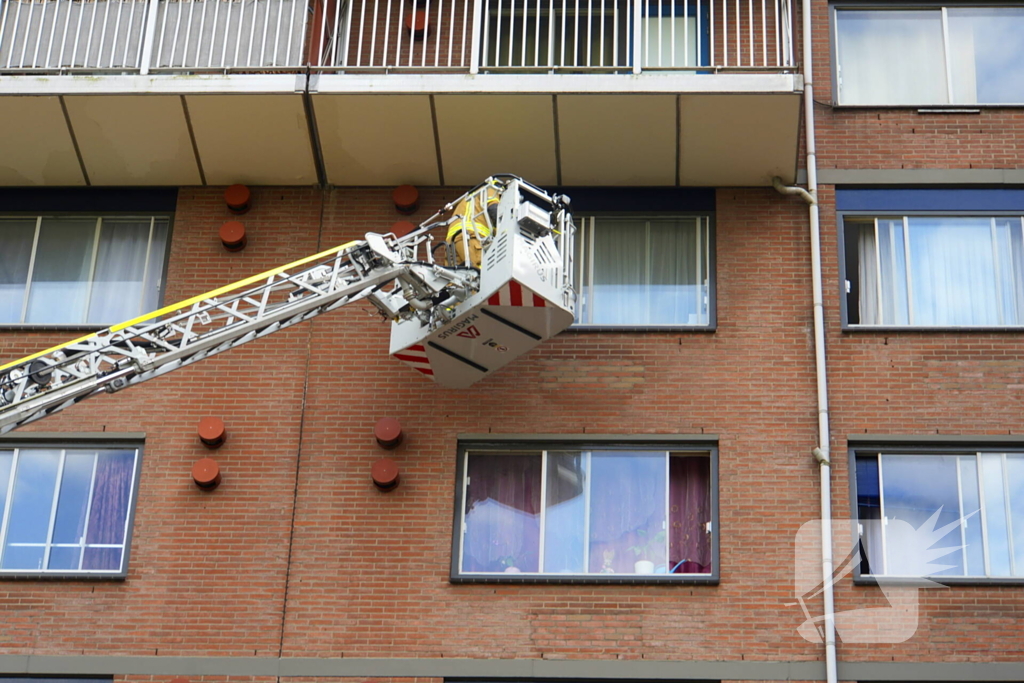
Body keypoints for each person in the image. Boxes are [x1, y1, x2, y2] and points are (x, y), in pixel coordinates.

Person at [446, 181, 501, 268]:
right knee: (480, 272)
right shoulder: (492, 188)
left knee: (457, 277)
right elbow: (494, 210)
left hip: (454, 240)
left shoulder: (470, 198)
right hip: (471, 237)